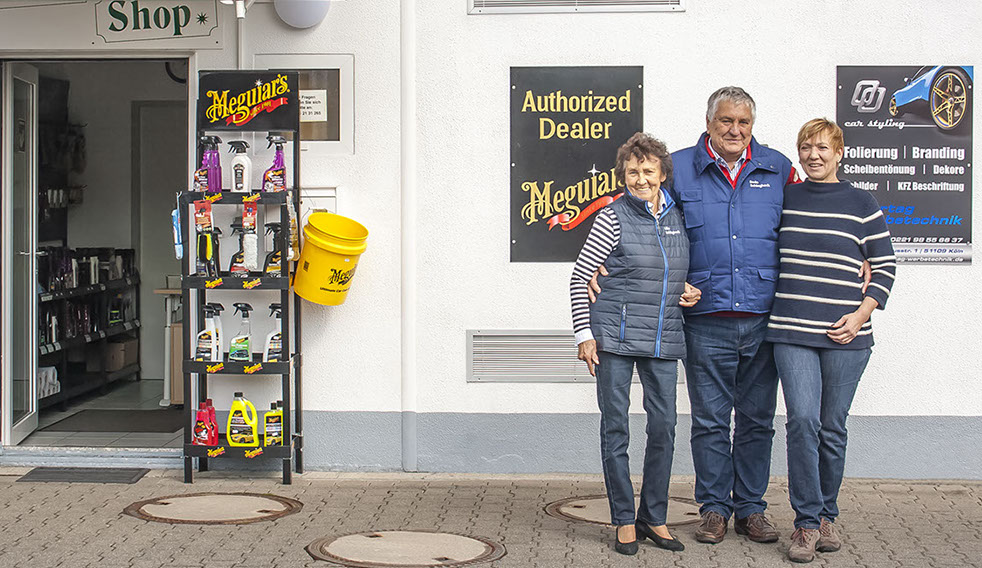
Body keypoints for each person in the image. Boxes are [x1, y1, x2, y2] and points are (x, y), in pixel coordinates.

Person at [592, 87, 805, 544]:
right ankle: (713, 509)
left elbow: (808, 221)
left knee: (756, 420)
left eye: (743, 122)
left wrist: (856, 252)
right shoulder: (680, 170)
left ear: (753, 125)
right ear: (710, 122)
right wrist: (598, 269)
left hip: (763, 316)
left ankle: (751, 508)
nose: (735, 130)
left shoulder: (778, 168)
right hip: (704, 318)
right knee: (709, 420)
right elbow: (639, 214)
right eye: (726, 121)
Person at [767, 118, 895, 563]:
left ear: (839, 153)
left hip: (847, 336)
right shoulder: (785, 199)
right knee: (803, 421)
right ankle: (805, 524)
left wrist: (861, 315)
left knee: (833, 428)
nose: (813, 155)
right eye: (806, 147)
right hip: (792, 331)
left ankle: (827, 516)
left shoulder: (863, 203)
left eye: (822, 147)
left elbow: (886, 266)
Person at [570, 132, 700, 555]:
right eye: (632, 172)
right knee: (616, 428)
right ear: (623, 175)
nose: (640, 179)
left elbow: (673, 272)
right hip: (615, 337)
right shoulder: (612, 217)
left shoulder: (678, 217)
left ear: (662, 173)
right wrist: (584, 335)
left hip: (664, 334)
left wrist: (688, 289)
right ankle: (624, 519)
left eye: (648, 171)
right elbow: (579, 277)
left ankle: (654, 516)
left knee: (664, 427)